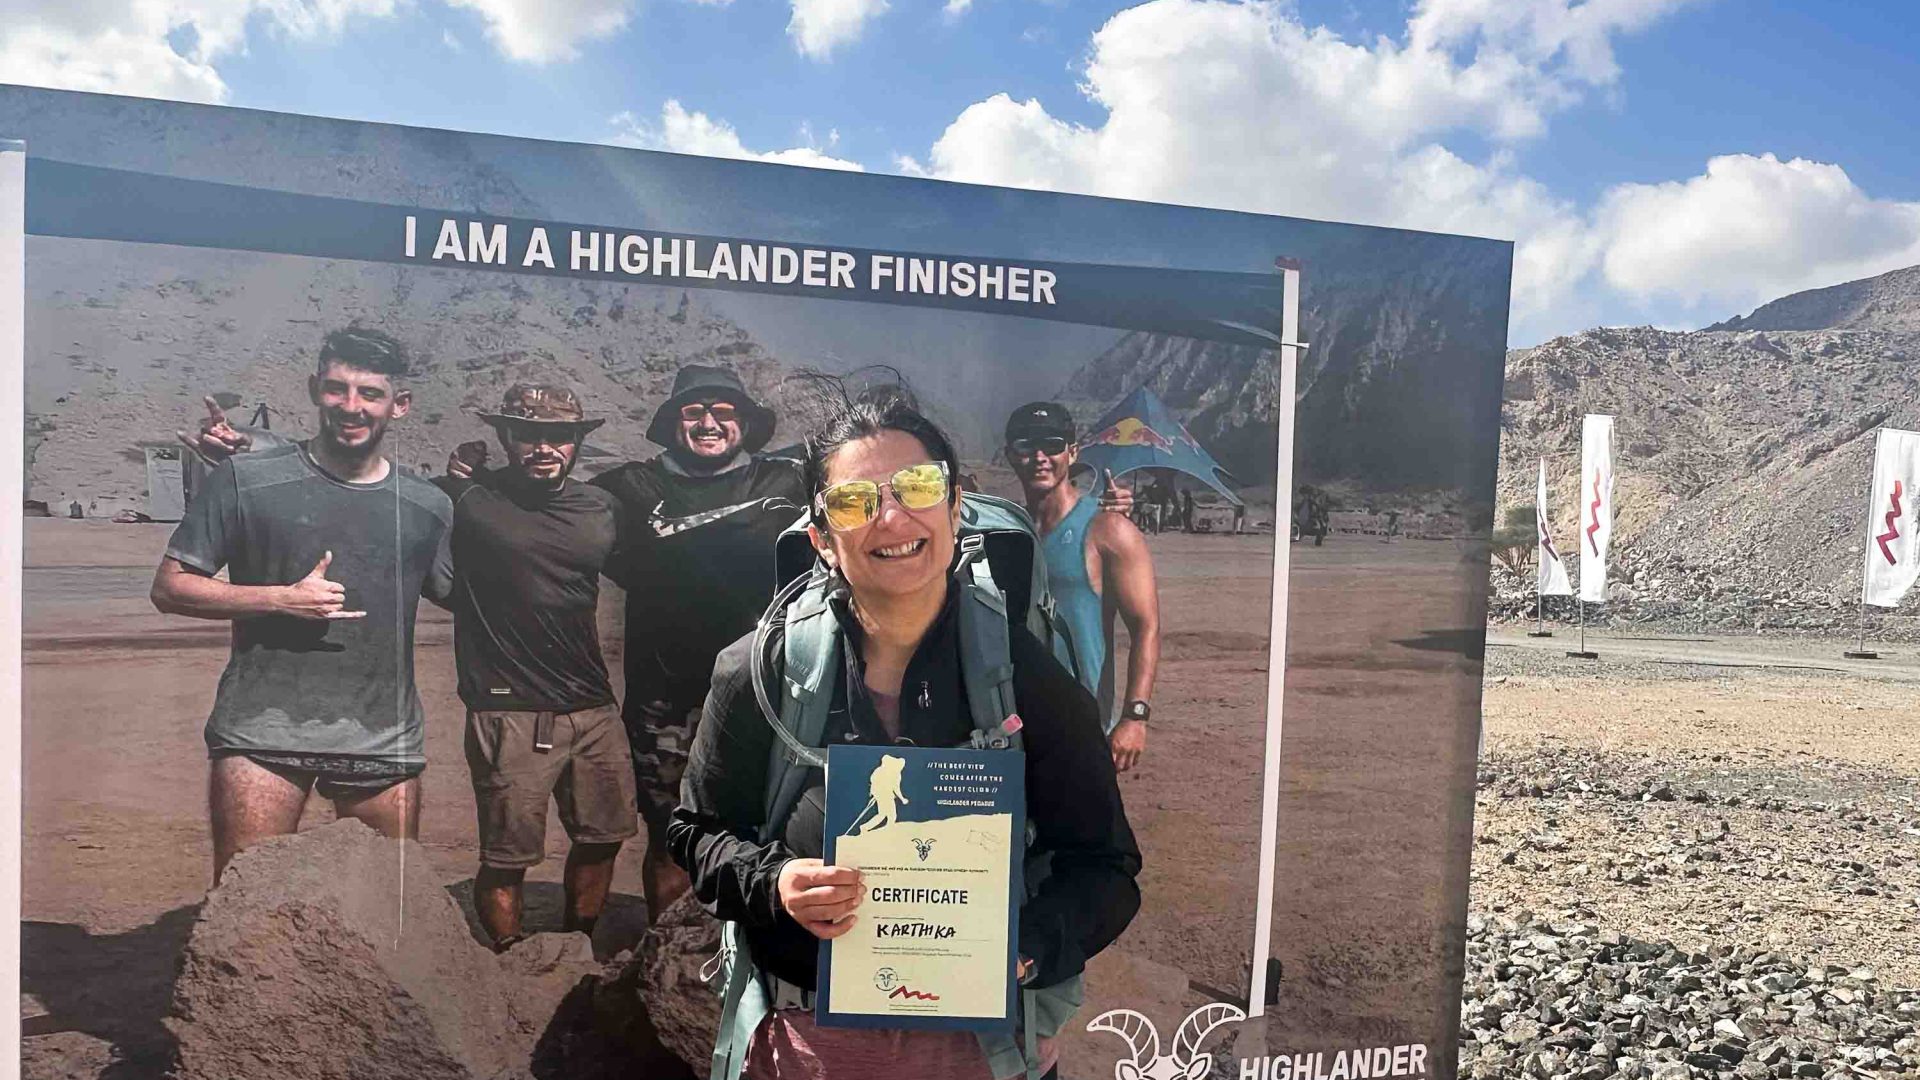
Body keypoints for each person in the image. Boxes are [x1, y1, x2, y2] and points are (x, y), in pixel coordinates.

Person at [668, 386, 1140, 1080]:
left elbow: (1106, 869)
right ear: (822, 539)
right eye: (856, 502)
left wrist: (1023, 947)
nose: (891, 516)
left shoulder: (1025, 681)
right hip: (808, 1047)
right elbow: (696, 832)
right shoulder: (762, 671)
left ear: (954, 507)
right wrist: (778, 883)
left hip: (983, 1050)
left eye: (918, 486)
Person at [150, 328, 453, 883]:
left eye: (370, 393)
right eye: (336, 389)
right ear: (315, 389)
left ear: (399, 405)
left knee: (389, 907)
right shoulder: (247, 480)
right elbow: (171, 587)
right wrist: (280, 600)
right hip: (261, 734)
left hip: (383, 738)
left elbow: (466, 594)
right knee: (246, 904)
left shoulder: (428, 506)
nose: (351, 406)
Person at [581, 365, 809, 920]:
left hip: (768, 693)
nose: (709, 423)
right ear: (673, 422)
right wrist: (466, 481)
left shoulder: (790, 480)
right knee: (673, 838)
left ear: (744, 424)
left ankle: (742, 959)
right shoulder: (630, 488)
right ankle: (665, 958)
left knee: (767, 833)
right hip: (665, 702)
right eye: (694, 412)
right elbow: (550, 507)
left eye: (724, 412)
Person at [436, 384, 639, 951]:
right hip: (510, 710)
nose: (544, 447)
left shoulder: (601, 509)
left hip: (593, 707)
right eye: (529, 434)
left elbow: (658, 576)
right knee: (507, 857)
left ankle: (578, 945)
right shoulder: (468, 500)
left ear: (576, 442)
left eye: (559, 436)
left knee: (603, 839)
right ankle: (510, 958)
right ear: (505, 437)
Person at [1002, 402, 1160, 772]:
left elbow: (1146, 626)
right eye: (1026, 445)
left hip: (1081, 726)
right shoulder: (1006, 533)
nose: (1040, 457)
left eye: (1053, 444)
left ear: (1072, 453)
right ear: (1010, 454)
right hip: (1010, 729)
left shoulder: (1108, 530)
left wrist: (1135, 716)